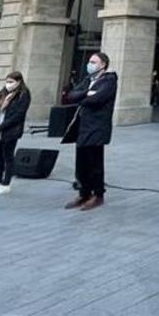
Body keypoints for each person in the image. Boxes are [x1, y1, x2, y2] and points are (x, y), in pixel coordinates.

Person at [61, 52, 117, 211]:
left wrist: (84, 98)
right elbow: (70, 96)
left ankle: (98, 194)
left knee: (95, 162)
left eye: (93, 62)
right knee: (81, 161)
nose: (89, 64)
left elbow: (98, 99)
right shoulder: (88, 80)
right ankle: (84, 192)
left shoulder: (109, 79)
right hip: (82, 126)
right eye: (89, 61)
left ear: (103, 65)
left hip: (97, 126)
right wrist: (86, 93)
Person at [0, 71, 31, 197]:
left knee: (8, 157)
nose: (8, 84)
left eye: (11, 82)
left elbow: (18, 115)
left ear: (19, 82)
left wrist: (0, 127)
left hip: (10, 131)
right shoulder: (3, 93)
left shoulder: (23, 95)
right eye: (7, 81)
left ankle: (6, 184)